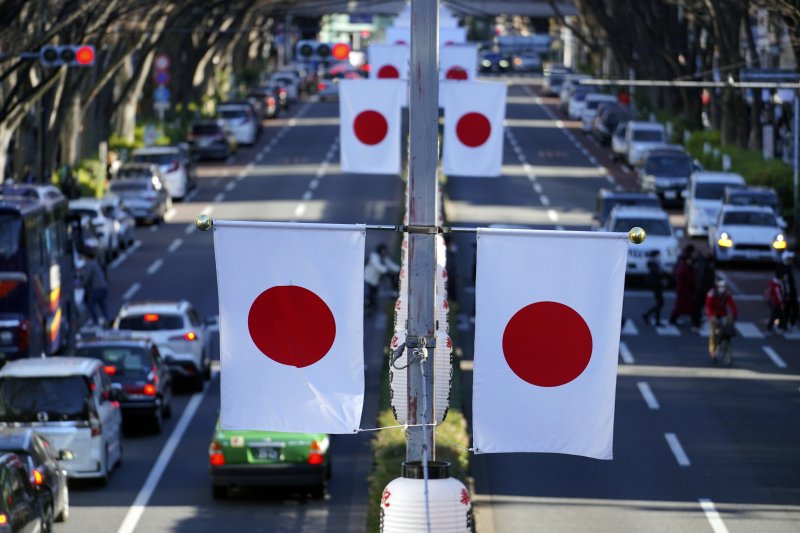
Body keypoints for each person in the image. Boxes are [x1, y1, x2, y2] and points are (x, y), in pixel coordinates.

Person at [705, 278, 737, 364]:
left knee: (727, 331)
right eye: (720, 286)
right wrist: (711, 316)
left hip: (723, 314)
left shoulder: (726, 293)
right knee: (713, 334)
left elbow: (732, 304)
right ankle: (713, 351)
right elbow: (708, 306)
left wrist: (734, 315)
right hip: (714, 315)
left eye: (723, 286)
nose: (722, 288)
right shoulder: (711, 293)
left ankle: (726, 348)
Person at [364, 243, 400, 313]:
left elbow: (390, 264)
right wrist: (386, 270)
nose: (385, 252)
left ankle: (370, 305)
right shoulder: (374, 256)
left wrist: (399, 269)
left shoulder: (383, 257)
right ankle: (368, 305)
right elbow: (378, 266)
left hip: (375, 279)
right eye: (384, 250)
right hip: (369, 278)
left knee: (374, 292)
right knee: (371, 292)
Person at [670, 245, 696, 326]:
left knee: (681, 304)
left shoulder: (681, 260)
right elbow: (687, 273)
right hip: (684, 287)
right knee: (683, 304)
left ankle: (674, 318)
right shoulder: (686, 263)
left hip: (682, 286)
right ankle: (673, 319)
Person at [691, 250, 715, 330]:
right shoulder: (703, 265)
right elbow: (702, 277)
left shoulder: (701, 264)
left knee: (698, 305)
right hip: (702, 288)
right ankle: (696, 321)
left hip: (701, 288)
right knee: (698, 305)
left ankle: (696, 320)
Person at [83, 253, 109, 327]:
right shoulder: (94, 263)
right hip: (103, 287)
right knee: (102, 304)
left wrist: (81, 283)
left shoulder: (90, 264)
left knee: (90, 304)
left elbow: (87, 277)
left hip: (97, 288)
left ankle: (95, 320)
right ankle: (107, 319)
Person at [642, 250, 666, 326]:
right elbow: (657, 273)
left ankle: (651, 317)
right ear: (656, 255)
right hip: (656, 285)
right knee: (660, 303)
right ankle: (648, 316)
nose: (660, 256)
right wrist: (662, 275)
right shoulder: (653, 263)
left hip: (657, 284)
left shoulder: (654, 263)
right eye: (658, 255)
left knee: (660, 303)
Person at [778, 250, 798, 330]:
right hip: (788, 294)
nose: (791, 261)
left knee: (788, 310)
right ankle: (785, 324)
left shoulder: (786, 268)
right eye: (790, 259)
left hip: (788, 294)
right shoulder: (785, 269)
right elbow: (786, 284)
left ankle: (784, 324)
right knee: (789, 310)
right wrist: (787, 294)